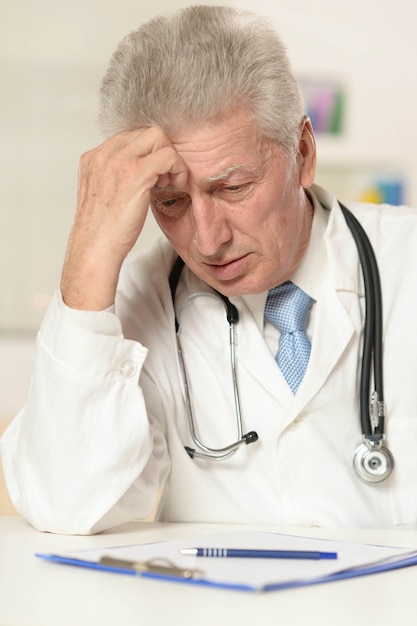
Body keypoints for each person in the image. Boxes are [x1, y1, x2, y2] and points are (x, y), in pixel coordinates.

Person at [1, 4, 417, 535]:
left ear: (304, 153)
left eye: (233, 188)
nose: (207, 239)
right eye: (170, 202)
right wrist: (89, 259)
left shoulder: (405, 262)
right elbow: (67, 503)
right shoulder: (137, 298)